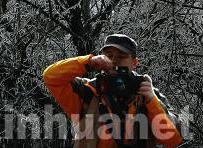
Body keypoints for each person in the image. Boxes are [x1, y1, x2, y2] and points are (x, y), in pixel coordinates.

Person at [43, 33, 183, 148]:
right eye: (109, 55)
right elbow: (50, 77)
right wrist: (88, 63)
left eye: (122, 56)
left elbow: (173, 140)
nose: (115, 61)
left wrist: (152, 101)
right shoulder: (87, 91)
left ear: (135, 63)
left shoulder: (149, 95)